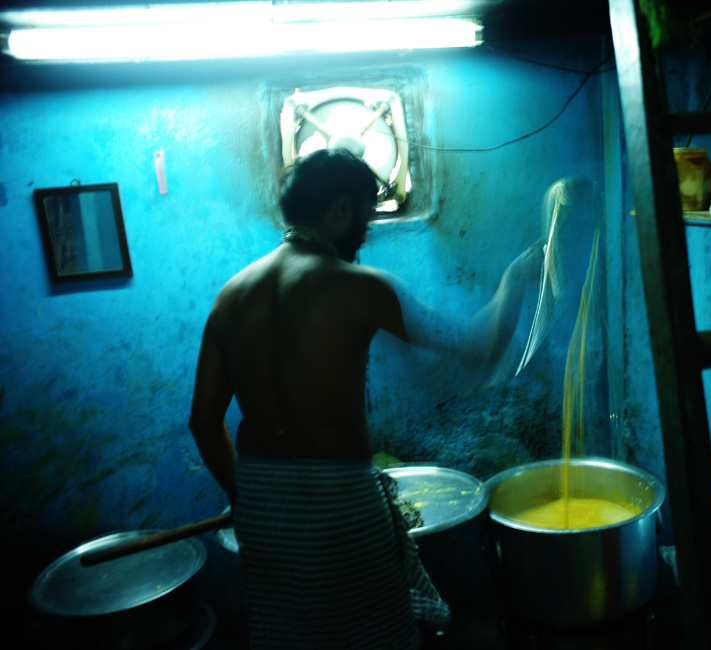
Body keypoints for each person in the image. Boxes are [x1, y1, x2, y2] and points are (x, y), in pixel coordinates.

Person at [188, 148, 541, 650]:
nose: (367, 231)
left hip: (263, 507)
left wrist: (244, 498)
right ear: (339, 209)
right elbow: (477, 347)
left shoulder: (230, 297)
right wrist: (518, 278)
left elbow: (203, 422)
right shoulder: (361, 287)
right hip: (340, 506)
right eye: (366, 214)